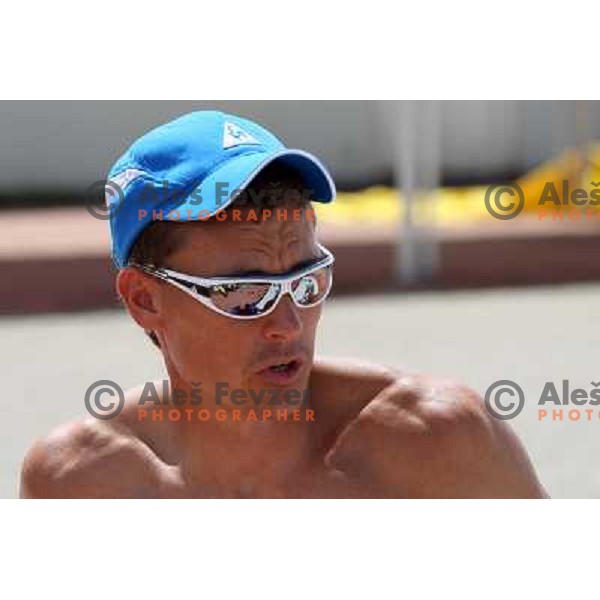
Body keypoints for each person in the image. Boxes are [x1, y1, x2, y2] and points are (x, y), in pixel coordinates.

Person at [19, 111, 548, 498]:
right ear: (143, 299)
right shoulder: (79, 483)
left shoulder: (440, 439)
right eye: (246, 293)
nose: (287, 323)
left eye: (307, 281)